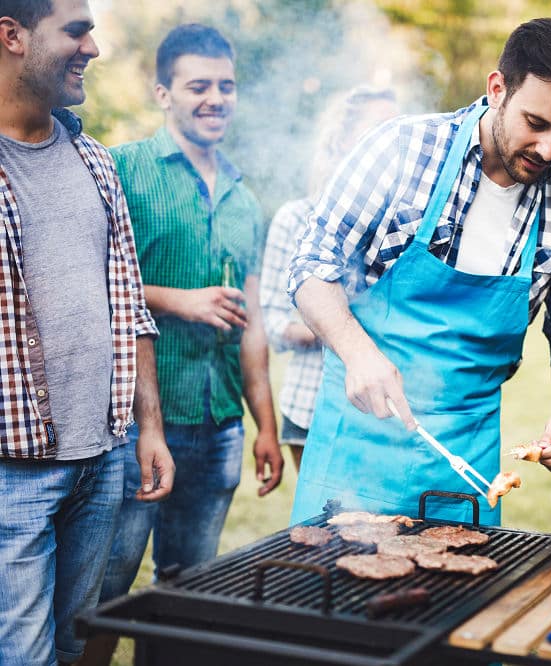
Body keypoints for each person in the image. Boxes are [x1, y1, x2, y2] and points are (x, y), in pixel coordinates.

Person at [288, 18, 551, 526]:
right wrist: (359, 354)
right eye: (537, 124)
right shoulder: (402, 149)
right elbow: (310, 265)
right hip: (355, 448)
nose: (549, 150)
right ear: (497, 88)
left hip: (466, 465)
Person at [81, 22, 284, 665]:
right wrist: (178, 298)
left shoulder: (246, 199)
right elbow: (88, 282)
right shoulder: (121, 169)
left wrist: (266, 426)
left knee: (188, 590)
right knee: (105, 593)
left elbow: (251, 325)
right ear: (163, 92)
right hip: (135, 425)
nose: (215, 98)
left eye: (226, 86)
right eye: (198, 86)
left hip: (218, 422)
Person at [0, 1, 175, 664]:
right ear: (12, 37)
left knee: (77, 649)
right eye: (76, 31)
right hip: (11, 472)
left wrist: (149, 428)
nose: (93, 49)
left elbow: (128, 303)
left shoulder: (97, 162)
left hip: (102, 460)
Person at [261, 86, 399, 471]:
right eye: (378, 130)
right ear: (340, 141)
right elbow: (274, 325)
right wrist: (342, 322)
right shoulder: (295, 218)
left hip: (384, 413)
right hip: (311, 409)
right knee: (326, 528)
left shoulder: (403, 226)